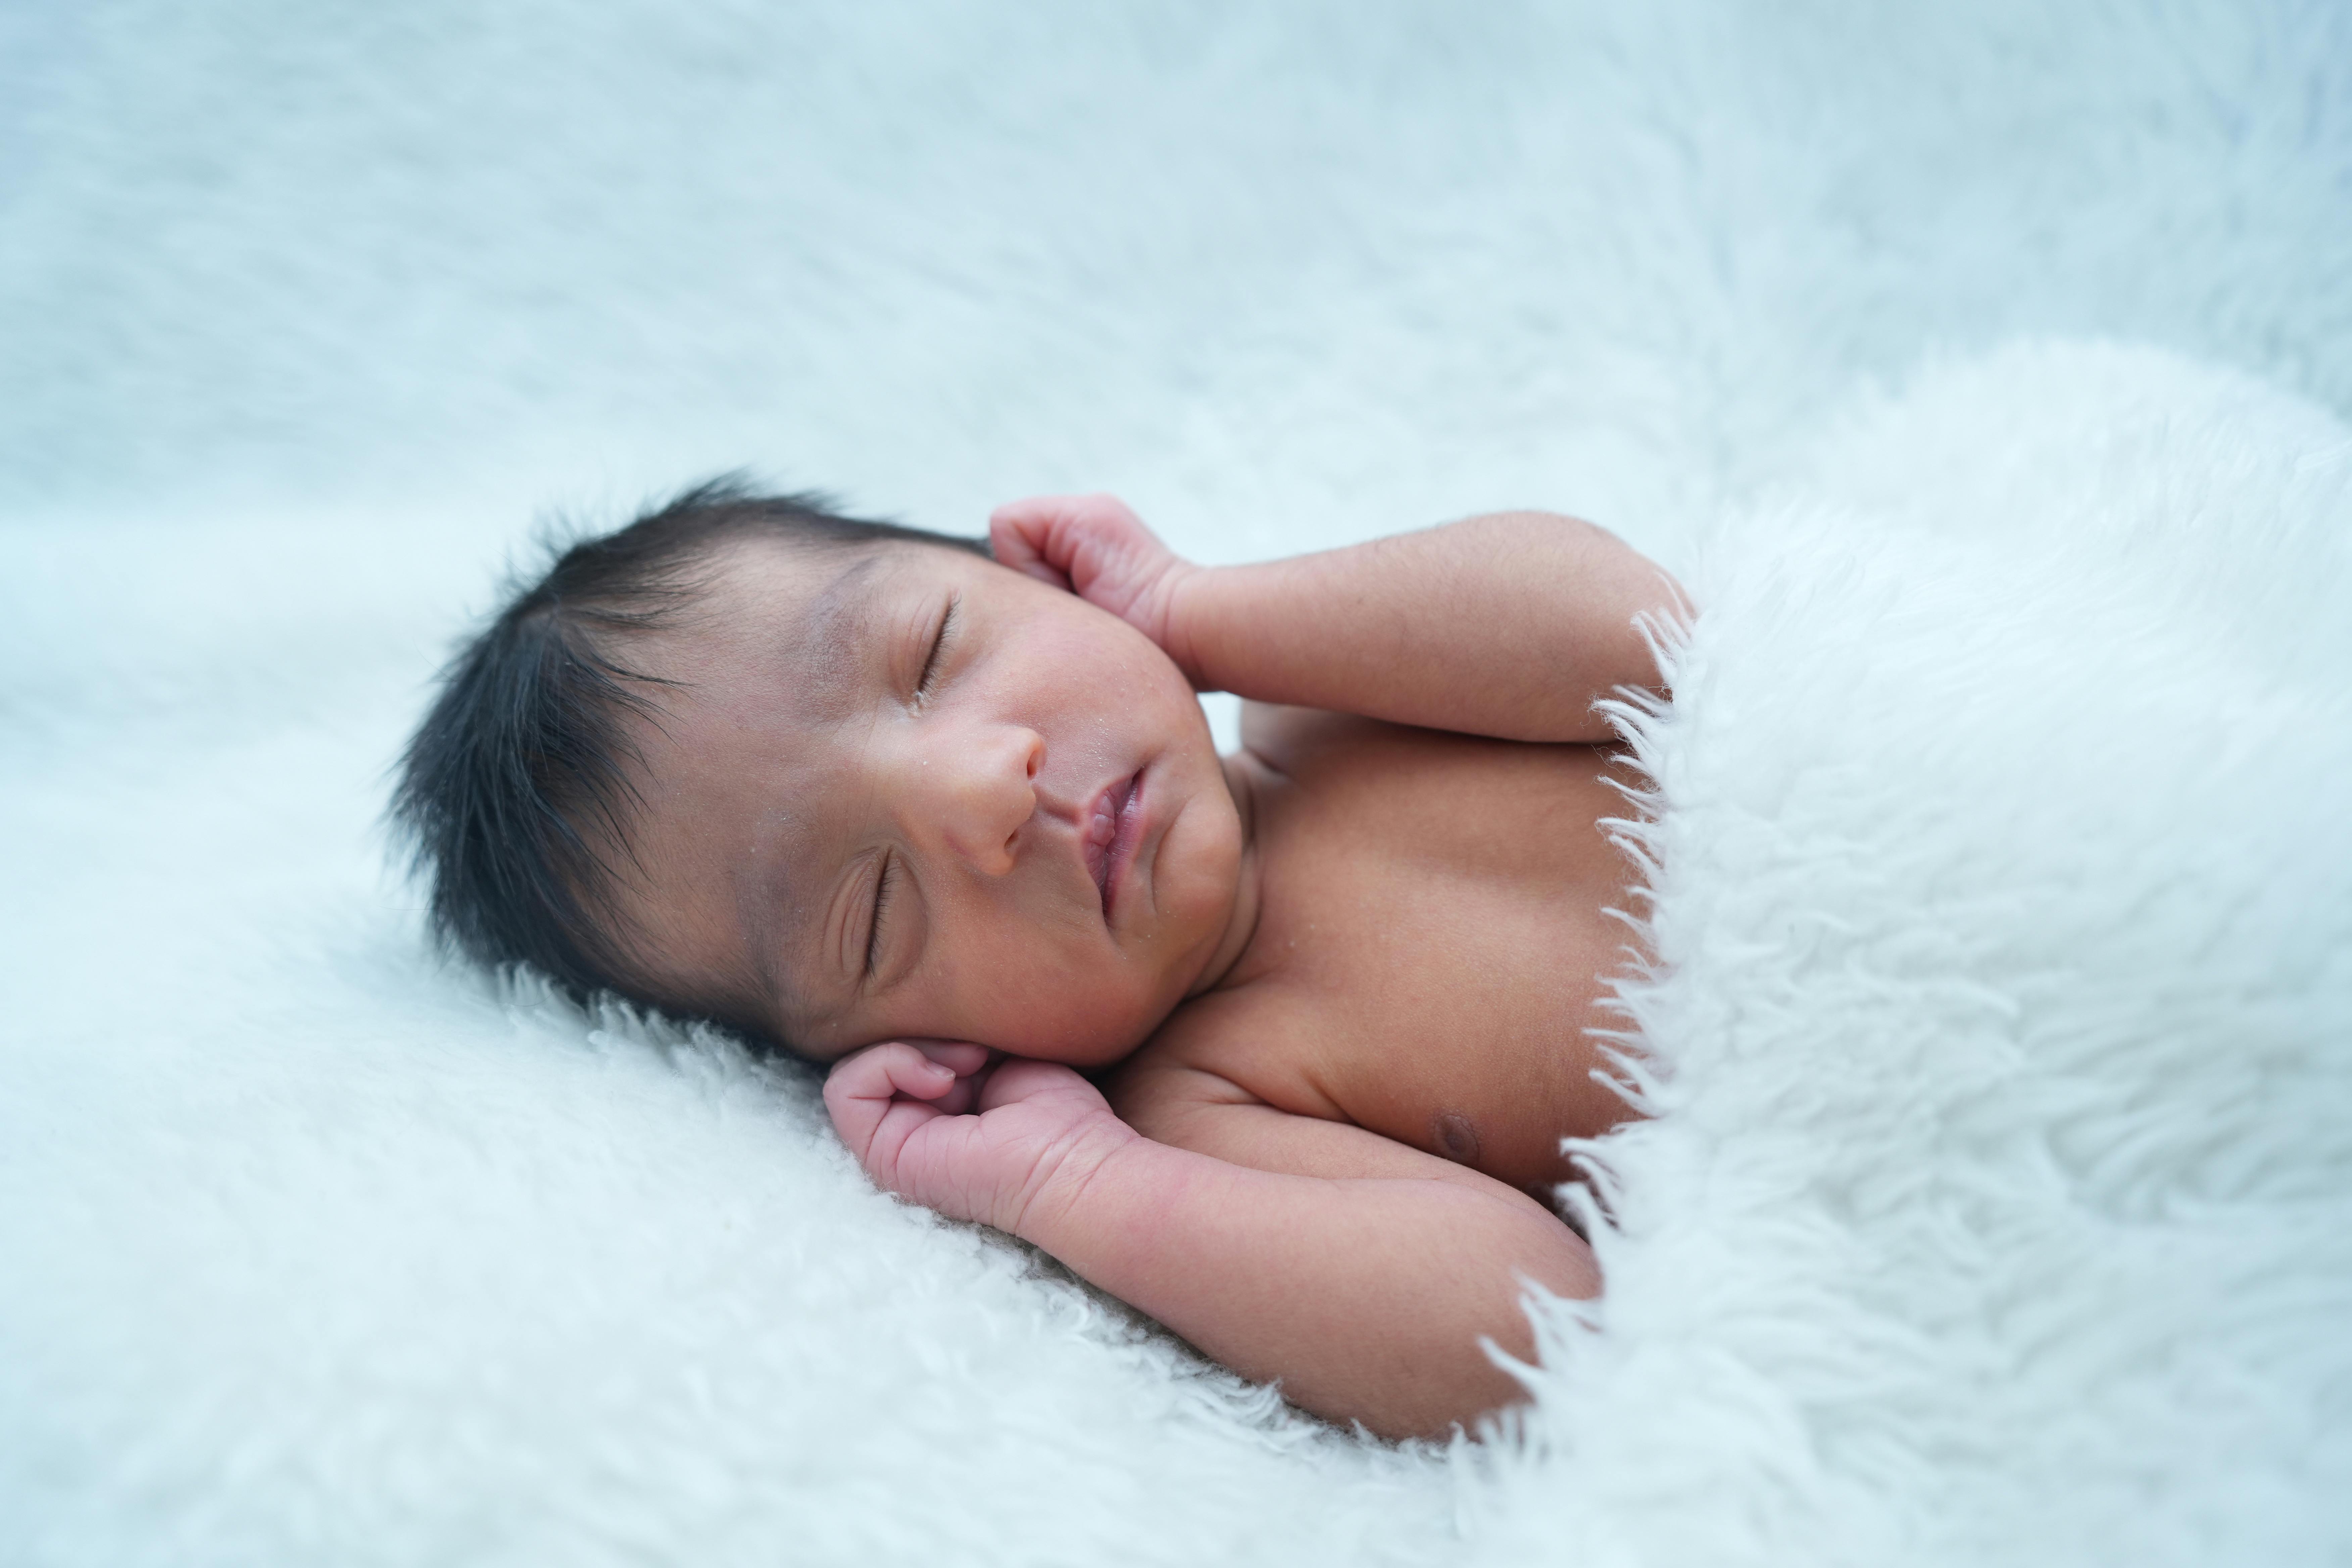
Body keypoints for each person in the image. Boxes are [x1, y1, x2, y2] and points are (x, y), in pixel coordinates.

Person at [396, 480, 1684, 1438]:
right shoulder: (1210, 1107)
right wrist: (1074, 1182)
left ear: (1048, 581)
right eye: (875, 910)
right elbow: (1525, 1330)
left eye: (930, 656)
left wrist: (1202, 611)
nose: (981, 793)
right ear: (917, 1052)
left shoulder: (1343, 692)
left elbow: (1651, 632)